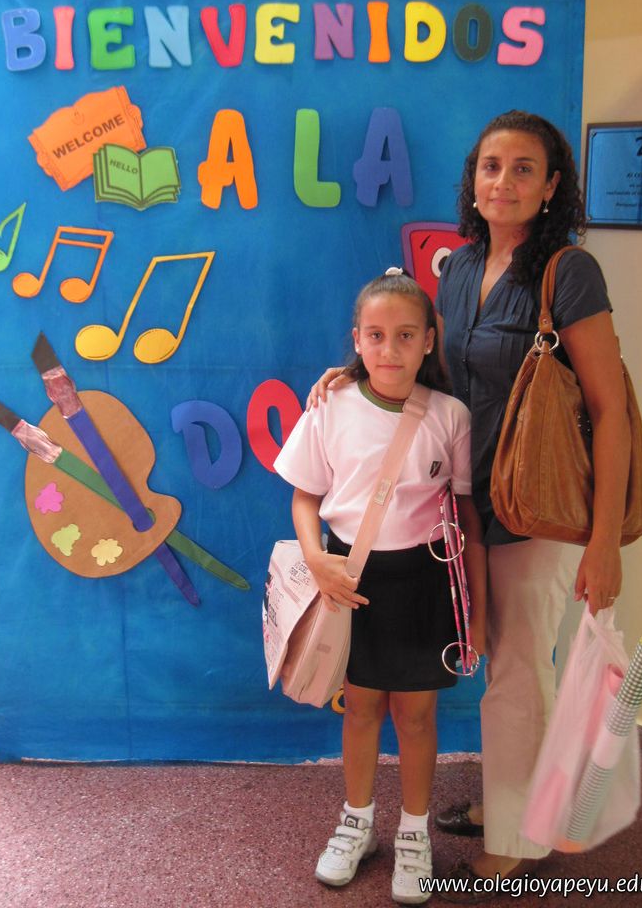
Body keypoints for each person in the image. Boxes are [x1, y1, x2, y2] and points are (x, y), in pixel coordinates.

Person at [308, 110, 631, 902]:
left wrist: (605, 541)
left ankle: (517, 838)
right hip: (463, 507)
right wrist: (354, 376)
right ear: (473, 180)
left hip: (539, 508)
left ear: (552, 187)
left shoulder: (569, 272)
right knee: (494, 662)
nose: (504, 182)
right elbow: (428, 373)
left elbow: (611, 409)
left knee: (518, 667)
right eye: (492, 166)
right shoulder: (458, 269)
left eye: (524, 169)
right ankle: (506, 800)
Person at [275, 268, 486, 905]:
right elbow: (305, 496)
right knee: (362, 708)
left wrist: (475, 613)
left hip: (424, 583)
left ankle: (414, 834)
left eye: (405, 335)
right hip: (349, 580)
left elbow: (467, 516)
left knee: (416, 717)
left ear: (429, 341)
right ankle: (357, 823)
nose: (389, 349)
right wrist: (317, 558)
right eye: (375, 335)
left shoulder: (450, 415)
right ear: (357, 340)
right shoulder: (330, 405)